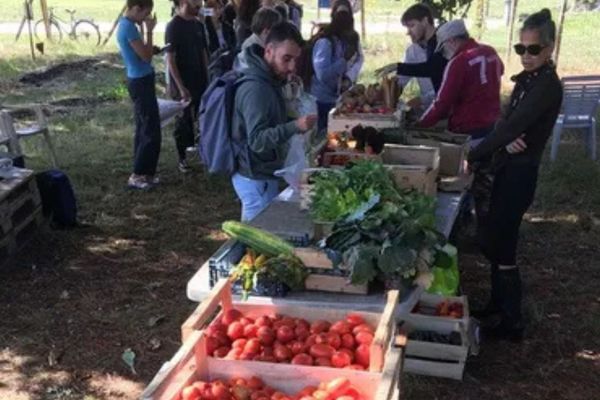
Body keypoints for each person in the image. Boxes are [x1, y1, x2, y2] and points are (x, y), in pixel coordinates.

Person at [467, 9, 563, 342]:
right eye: (521, 49)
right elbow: (506, 127)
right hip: (508, 168)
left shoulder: (547, 86)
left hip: (521, 175)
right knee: (495, 237)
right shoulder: (529, 82)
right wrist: (505, 141)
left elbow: (511, 126)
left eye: (533, 49)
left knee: (504, 244)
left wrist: (473, 154)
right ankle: (497, 306)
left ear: (550, 48)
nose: (526, 56)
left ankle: (512, 321)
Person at [415, 20, 503, 242]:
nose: (444, 52)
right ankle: (487, 230)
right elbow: (498, 73)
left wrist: (420, 126)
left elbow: (442, 103)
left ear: (453, 40)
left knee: (463, 181)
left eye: (444, 47)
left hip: (468, 130)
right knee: (484, 181)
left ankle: (464, 231)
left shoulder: (459, 61)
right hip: (490, 126)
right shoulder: (490, 52)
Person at [232, 22, 317, 221]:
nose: (292, 67)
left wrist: (292, 121)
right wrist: (295, 126)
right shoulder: (257, 89)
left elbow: (269, 119)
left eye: (296, 60)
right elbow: (258, 141)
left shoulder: (268, 79)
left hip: (262, 174)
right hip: (255, 177)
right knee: (257, 237)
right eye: (286, 59)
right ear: (269, 51)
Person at [117, 0, 160, 190]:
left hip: (141, 78)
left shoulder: (129, 25)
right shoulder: (128, 28)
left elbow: (142, 51)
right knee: (150, 129)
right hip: (140, 81)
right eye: (145, 14)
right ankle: (138, 174)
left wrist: (144, 31)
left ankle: (146, 172)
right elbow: (146, 56)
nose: (146, 18)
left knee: (144, 127)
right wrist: (149, 31)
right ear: (136, 8)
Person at [165, 0, 210, 173]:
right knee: (183, 121)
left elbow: (204, 53)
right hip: (182, 83)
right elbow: (171, 59)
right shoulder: (173, 26)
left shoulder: (198, 25)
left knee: (201, 117)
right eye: (195, 3)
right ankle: (182, 157)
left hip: (200, 80)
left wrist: (208, 77)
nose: (199, 6)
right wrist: (180, 86)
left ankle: (200, 152)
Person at [308, 5, 360, 133]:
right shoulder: (325, 43)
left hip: (334, 97)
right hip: (321, 99)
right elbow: (323, 75)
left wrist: (346, 80)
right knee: (321, 135)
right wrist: (343, 60)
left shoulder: (340, 43)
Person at [375, 3, 447, 95]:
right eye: (407, 27)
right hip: (431, 106)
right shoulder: (413, 50)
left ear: (425, 21)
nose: (408, 32)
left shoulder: (444, 43)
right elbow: (403, 78)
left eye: (412, 25)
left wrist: (397, 66)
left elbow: (432, 68)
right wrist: (383, 90)